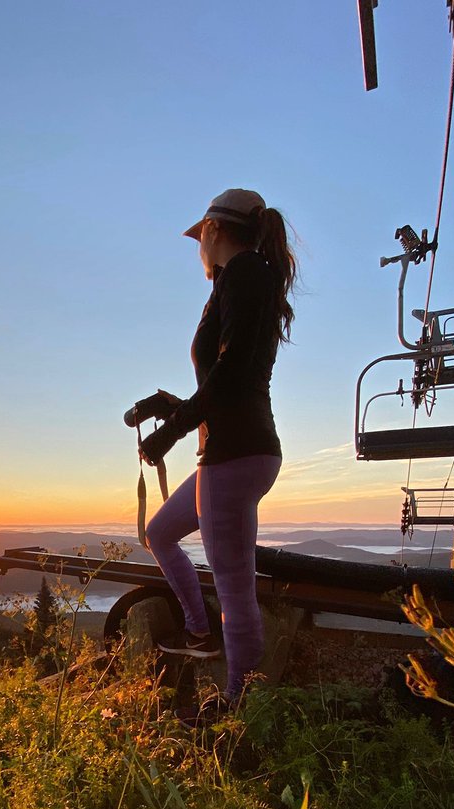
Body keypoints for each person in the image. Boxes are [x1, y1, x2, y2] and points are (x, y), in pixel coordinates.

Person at [138, 187, 296, 720]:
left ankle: (239, 705)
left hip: (236, 452)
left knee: (233, 585)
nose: (197, 250)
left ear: (212, 230)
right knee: (159, 532)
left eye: (198, 237)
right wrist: (170, 406)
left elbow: (231, 377)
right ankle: (200, 633)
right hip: (231, 449)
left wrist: (173, 431)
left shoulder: (247, 272)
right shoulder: (239, 280)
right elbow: (231, 378)